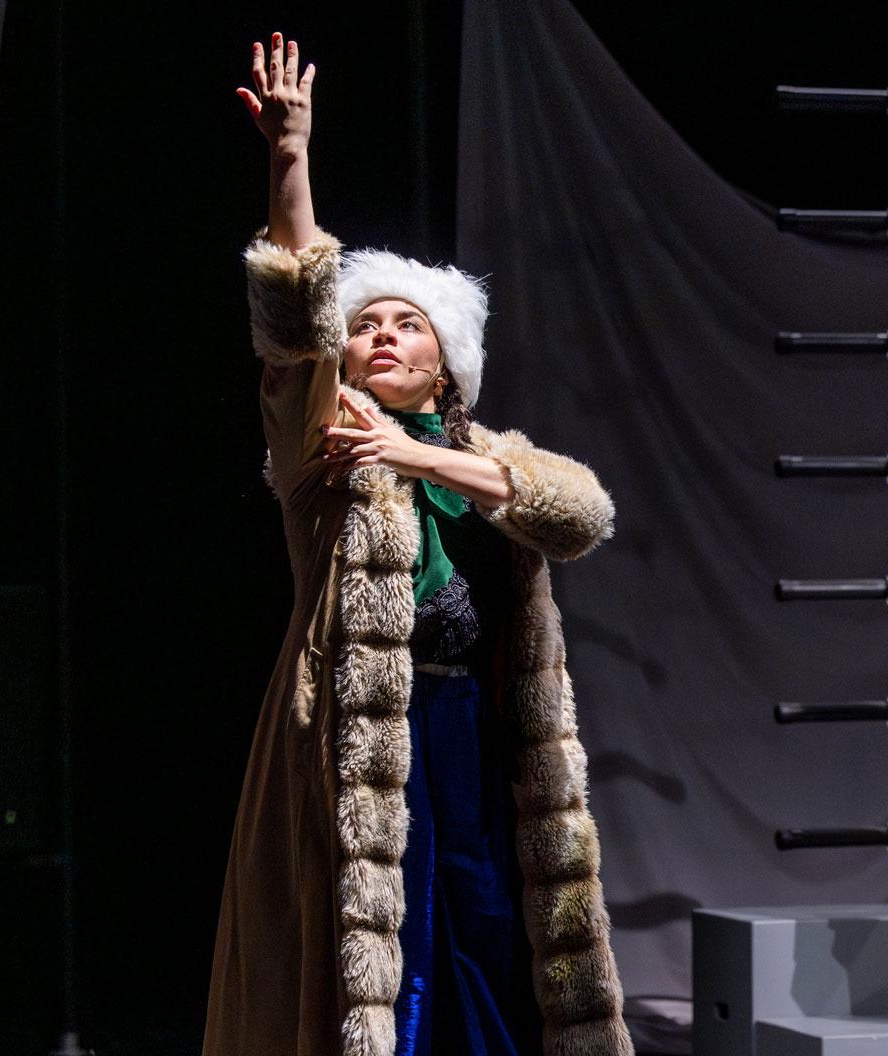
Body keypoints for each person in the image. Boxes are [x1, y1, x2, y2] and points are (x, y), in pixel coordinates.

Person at [204, 34, 632, 1056]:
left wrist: (424, 455)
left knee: (489, 942)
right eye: (369, 325)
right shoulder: (329, 446)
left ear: (448, 369)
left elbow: (576, 513)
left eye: (409, 324)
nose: (382, 334)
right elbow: (296, 316)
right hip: (357, 742)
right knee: (381, 968)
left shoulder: (483, 455)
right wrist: (289, 159)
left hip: (475, 738)